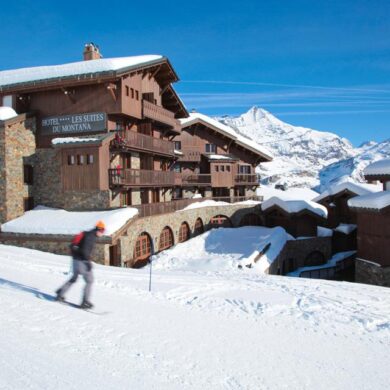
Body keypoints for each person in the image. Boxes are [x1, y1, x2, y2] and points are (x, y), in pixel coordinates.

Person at [55, 220, 106, 309]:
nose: (102, 233)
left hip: (75, 260)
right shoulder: (91, 237)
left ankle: (60, 293)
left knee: (74, 278)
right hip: (81, 261)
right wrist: (88, 262)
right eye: (102, 231)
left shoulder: (87, 234)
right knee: (89, 280)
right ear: (99, 230)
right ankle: (85, 301)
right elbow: (85, 251)